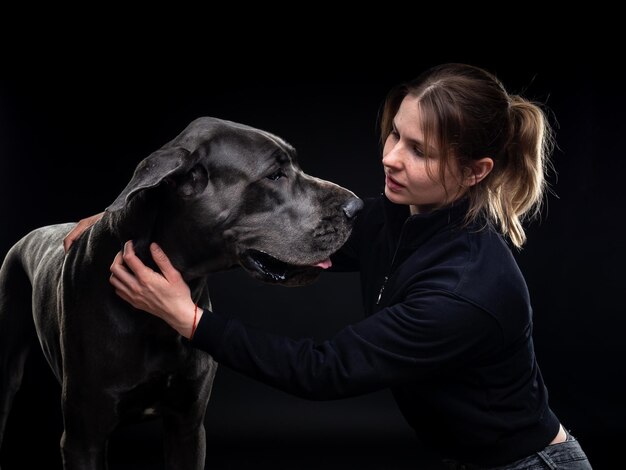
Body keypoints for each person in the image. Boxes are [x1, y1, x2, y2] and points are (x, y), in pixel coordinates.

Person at [64, 63, 592, 469]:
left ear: (476, 172)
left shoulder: (465, 289)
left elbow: (324, 370)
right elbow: (301, 237)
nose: (390, 158)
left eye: (420, 151)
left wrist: (190, 320)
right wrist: (124, 216)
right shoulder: (409, 218)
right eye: (395, 135)